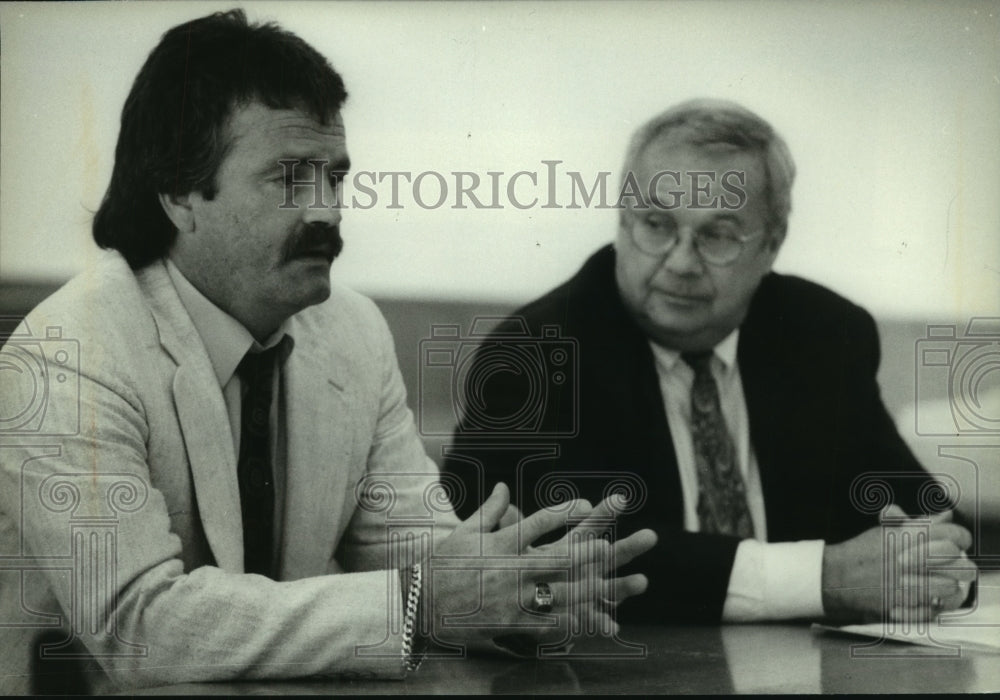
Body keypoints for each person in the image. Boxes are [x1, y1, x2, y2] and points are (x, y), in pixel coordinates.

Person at [0, 10, 656, 693]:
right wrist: (421, 603)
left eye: (335, 178)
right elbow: (139, 627)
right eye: (290, 179)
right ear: (179, 194)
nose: (328, 211)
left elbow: (420, 552)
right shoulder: (68, 356)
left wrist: (521, 596)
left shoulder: (353, 332)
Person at [442, 99, 976, 625]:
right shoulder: (537, 353)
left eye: (718, 235)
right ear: (622, 221)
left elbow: (919, 518)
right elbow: (573, 551)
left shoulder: (824, 335)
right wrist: (822, 577)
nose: (679, 262)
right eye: (656, 224)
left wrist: (935, 560)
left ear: (771, 244)